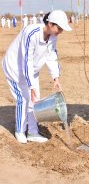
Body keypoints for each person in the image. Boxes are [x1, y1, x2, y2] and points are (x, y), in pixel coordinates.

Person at [2, 10, 72, 144]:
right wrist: (31, 85)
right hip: (15, 69)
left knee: (35, 101)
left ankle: (33, 132)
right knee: (23, 99)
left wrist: (55, 78)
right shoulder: (31, 33)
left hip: (31, 71)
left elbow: (51, 55)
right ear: (50, 23)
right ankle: (20, 131)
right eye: (59, 28)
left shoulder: (53, 36)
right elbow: (26, 60)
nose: (61, 31)